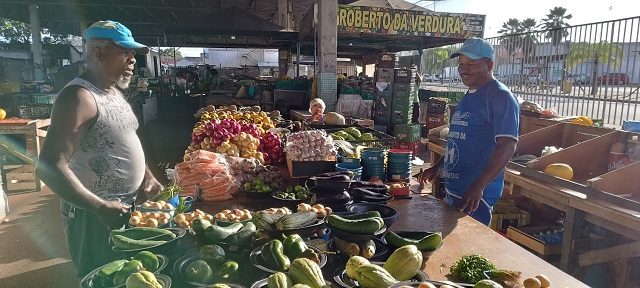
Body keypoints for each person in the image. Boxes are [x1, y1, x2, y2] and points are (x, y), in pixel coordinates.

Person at [35, 20, 164, 277]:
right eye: (124, 53)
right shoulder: (78, 97)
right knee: (101, 277)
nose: (132, 61)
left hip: (124, 210)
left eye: (133, 55)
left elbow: (123, 139)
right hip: (93, 219)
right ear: (99, 53)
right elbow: (49, 166)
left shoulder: (113, 92)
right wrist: (99, 207)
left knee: (132, 278)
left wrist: (146, 175)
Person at [419, 37, 519, 226]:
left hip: (474, 197)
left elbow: (508, 145)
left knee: (470, 251)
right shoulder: (470, 94)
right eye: (461, 64)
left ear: (489, 65)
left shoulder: (500, 96)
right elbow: (459, 141)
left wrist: (479, 186)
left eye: (471, 64)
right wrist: (438, 167)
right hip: (455, 190)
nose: (463, 69)